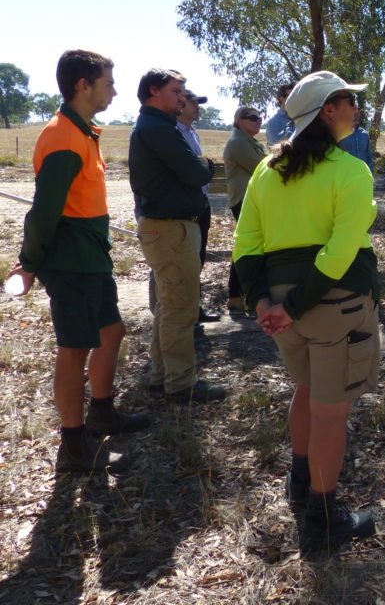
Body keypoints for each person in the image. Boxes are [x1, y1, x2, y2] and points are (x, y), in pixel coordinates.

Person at [233, 70, 379, 554]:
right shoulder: (351, 170)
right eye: (346, 101)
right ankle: (322, 518)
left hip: (281, 303)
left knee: (307, 390)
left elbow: (246, 243)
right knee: (330, 410)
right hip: (334, 304)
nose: (355, 109)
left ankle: (300, 483)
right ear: (327, 111)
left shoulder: (265, 171)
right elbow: (339, 252)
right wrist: (292, 308)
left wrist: (264, 303)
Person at [8, 50, 149, 474]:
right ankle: (73, 445)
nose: (115, 90)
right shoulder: (63, 138)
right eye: (108, 82)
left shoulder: (83, 131)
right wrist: (28, 265)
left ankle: (102, 412)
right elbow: (44, 212)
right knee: (74, 349)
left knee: (112, 331)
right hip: (70, 262)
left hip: (92, 258)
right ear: (82, 85)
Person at [129, 68, 226, 404]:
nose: (183, 98)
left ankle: (161, 377)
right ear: (154, 91)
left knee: (169, 305)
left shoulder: (157, 127)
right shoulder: (159, 130)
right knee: (181, 308)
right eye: (176, 91)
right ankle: (181, 384)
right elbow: (196, 171)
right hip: (170, 228)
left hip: (167, 227)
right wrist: (207, 166)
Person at [177, 90, 219, 322]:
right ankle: (184, 314)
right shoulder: (172, 133)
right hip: (186, 208)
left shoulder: (193, 133)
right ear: (180, 105)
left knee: (198, 259)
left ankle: (196, 309)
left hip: (201, 204)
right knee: (184, 263)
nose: (198, 108)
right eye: (194, 103)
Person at [222, 106, 267, 312]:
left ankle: (238, 295)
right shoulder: (238, 143)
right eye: (252, 118)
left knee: (247, 246)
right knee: (246, 247)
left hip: (252, 202)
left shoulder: (249, 141)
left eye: (259, 118)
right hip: (244, 202)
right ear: (239, 120)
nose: (258, 121)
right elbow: (264, 168)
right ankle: (236, 295)